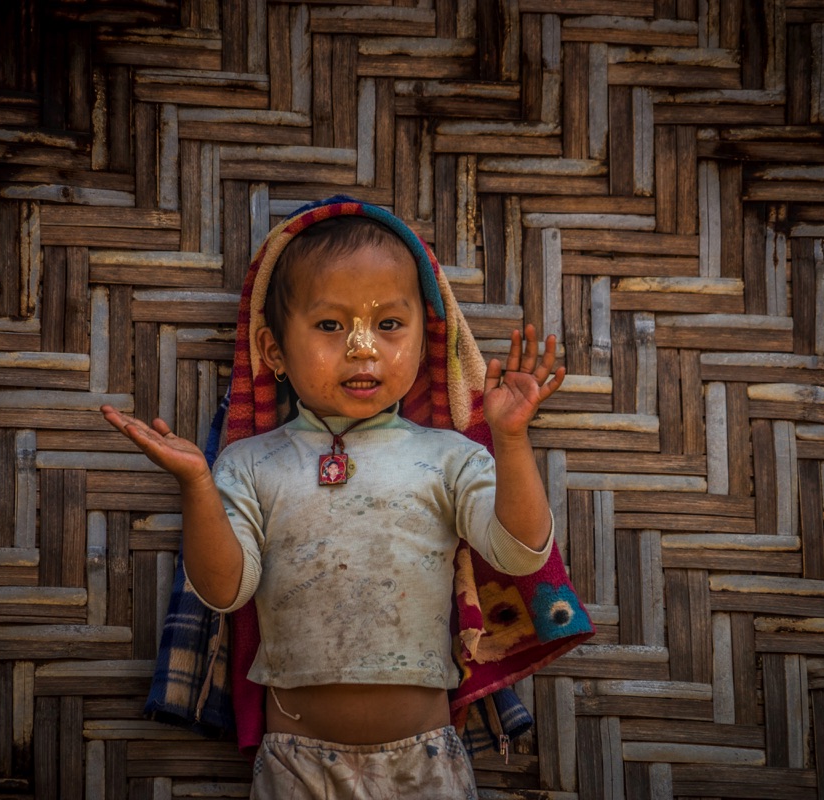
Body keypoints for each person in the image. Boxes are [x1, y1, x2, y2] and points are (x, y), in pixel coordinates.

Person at [103, 197, 582, 799]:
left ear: (423, 335)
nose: (363, 347)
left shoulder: (448, 456)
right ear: (273, 350)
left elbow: (521, 555)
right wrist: (197, 486)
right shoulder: (251, 463)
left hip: (424, 762)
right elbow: (226, 589)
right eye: (331, 325)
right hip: (297, 766)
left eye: (388, 324)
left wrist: (509, 440)